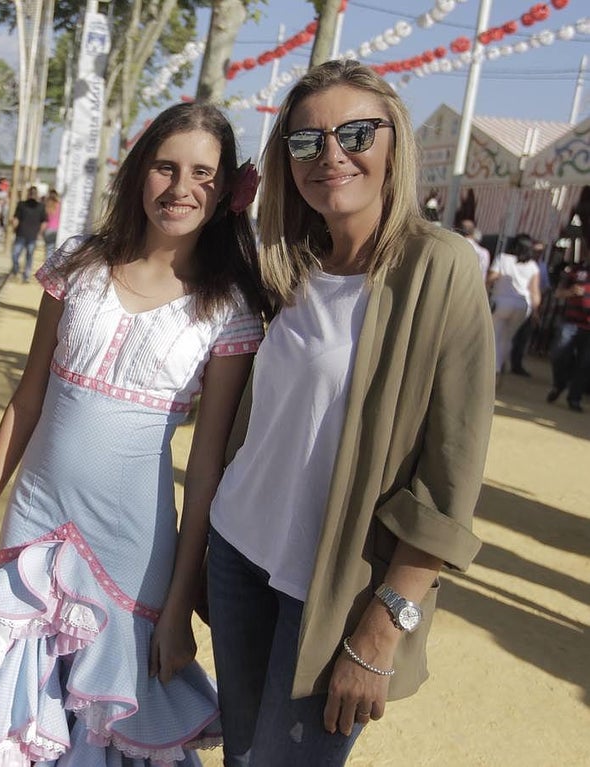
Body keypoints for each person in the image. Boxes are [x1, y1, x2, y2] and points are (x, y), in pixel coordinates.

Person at [0, 100, 268, 765]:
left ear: (227, 187)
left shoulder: (228, 308)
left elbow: (206, 469)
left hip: (133, 550)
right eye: (165, 167)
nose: (180, 189)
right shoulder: (78, 265)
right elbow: (27, 403)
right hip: (34, 525)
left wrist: (178, 604)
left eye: (203, 173)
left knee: (97, 731)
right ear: (139, 171)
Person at [206, 59, 494, 766]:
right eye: (306, 142)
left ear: (394, 143)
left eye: (356, 133)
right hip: (239, 555)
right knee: (242, 757)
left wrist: (385, 625)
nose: (331, 155)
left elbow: (450, 477)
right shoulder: (285, 265)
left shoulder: (442, 267)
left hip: (337, 591)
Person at [487, 233, 541, 380]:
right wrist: (536, 312)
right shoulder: (533, 266)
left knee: (493, 335)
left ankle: (493, 368)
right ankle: (499, 365)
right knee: (507, 337)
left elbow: (491, 277)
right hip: (523, 305)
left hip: (501, 301)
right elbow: (534, 291)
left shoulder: (503, 258)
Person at [546, 259, 590, 413]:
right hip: (570, 322)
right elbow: (558, 293)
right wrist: (571, 291)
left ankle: (574, 398)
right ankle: (560, 383)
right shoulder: (576, 271)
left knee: (585, 364)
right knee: (557, 352)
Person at [509, 239, 551, 376]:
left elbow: (542, 288)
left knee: (523, 337)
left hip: (529, 305)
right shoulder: (523, 263)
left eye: (541, 251)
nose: (538, 253)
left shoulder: (541, 267)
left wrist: (536, 309)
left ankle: (516, 363)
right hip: (519, 303)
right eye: (536, 250)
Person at [9, 185, 47, 282]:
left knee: (25, 255)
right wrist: (14, 227)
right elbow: (17, 218)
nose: (32, 195)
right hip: (24, 234)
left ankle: (23, 274)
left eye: (33, 193)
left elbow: (44, 221)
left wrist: (39, 233)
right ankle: (19, 272)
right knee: (20, 255)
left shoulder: (39, 206)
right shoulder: (23, 204)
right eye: (32, 193)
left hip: (28, 235)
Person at [42, 187, 61, 259]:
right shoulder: (60, 205)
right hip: (57, 230)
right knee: (54, 250)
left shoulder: (46, 205)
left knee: (48, 249)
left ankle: (47, 264)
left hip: (48, 229)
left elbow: (44, 219)